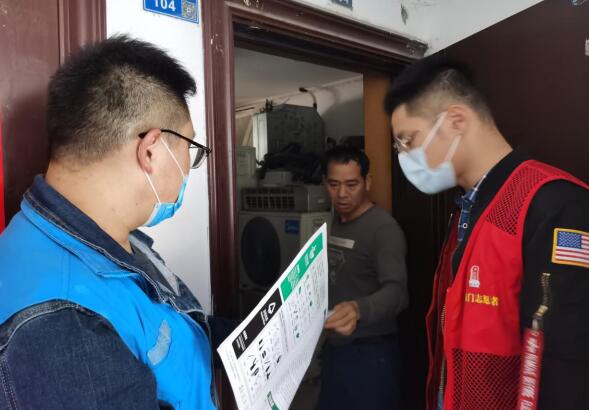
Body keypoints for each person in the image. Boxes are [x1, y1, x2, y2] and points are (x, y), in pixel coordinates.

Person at [0, 36, 224, 409]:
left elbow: (164, 325)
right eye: (190, 149)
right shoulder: (62, 326)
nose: (189, 165)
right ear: (151, 150)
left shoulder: (113, 238)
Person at [384, 56, 589, 410]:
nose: (404, 157)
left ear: (456, 120)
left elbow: (565, 367)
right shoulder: (469, 209)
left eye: (408, 140)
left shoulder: (553, 204)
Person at [317, 145, 408, 410]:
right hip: (336, 349)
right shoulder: (335, 222)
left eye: (351, 184)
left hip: (371, 353)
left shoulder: (383, 229)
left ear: (367, 182)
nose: (342, 194)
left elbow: (398, 292)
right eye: (333, 184)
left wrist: (359, 309)